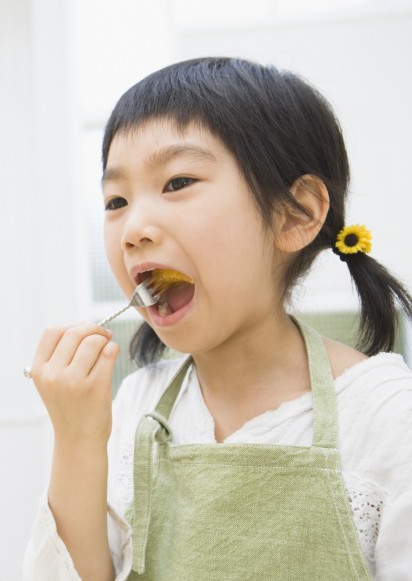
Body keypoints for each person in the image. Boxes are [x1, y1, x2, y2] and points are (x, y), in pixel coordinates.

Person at [23, 57, 412, 580]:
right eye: (116, 199)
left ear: (295, 214)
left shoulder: (387, 416)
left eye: (178, 181)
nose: (133, 227)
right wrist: (76, 438)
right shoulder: (136, 407)